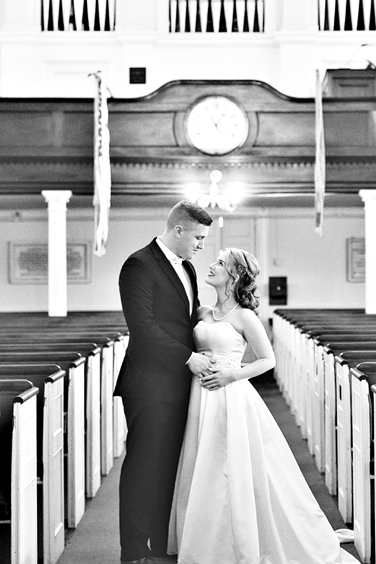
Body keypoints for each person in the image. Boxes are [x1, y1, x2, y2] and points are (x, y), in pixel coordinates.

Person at [168, 247, 359, 564]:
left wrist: (231, 374)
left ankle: (241, 539)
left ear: (234, 274)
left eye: (220, 263)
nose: (212, 265)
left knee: (233, 465)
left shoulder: (244, 317)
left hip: (231, 394)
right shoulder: (200, 313)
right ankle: (205, 539)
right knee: (201, 464)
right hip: (200, 395)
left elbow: (267, 360)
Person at [115, 200, 215, 564]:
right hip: (149, 384)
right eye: (199, 237)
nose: (202, 245)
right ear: (178, 230)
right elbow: (143, 328)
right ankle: (134, 551)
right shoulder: (139, 264)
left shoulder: (187, 267)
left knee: (170, 464)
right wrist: (189, 358)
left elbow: (189, 316)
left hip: (180, 384)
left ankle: (161, 543)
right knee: (144, 466)